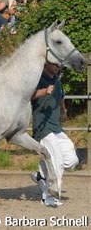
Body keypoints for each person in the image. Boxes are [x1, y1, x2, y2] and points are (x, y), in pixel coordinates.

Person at [31, 63, 79, 207]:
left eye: (60, 65)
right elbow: (29, 95)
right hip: (43, 127)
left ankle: (41, 174)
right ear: (47, 64)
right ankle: (49, 197)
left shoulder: (57, 79)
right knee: (56, 162)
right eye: (56, 64)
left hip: (57, 128)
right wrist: (44, 91)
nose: (58, 67)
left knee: (71, 160)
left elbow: (61, 96)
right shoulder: (38, 78)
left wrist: (64, 111)